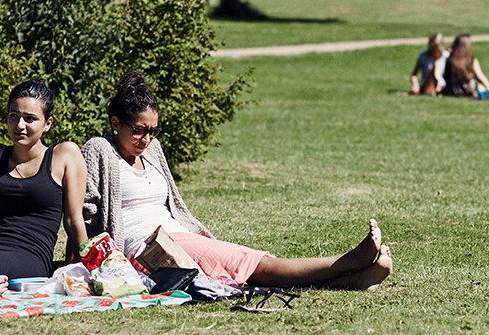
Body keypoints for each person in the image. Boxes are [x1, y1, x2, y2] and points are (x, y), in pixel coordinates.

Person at [81, 71, 391, 289]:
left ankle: (354, 280)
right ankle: (346, 261)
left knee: (247, 272)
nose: (146, 139)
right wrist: (88, 264)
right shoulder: (100, 150)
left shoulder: (153, 150)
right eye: (138, 130)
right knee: (256, 265)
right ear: (115, 122)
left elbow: (172, 203)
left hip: (178, 237)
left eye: (152, 131)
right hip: (146, 249)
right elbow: (84, 212)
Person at [0, 78, 86, 283]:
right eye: (14, 116)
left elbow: (74, 221)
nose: (20, 125)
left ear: (48, 123)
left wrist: (86, 272)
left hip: (32, 257)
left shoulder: (64, 155)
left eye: (30, 118)